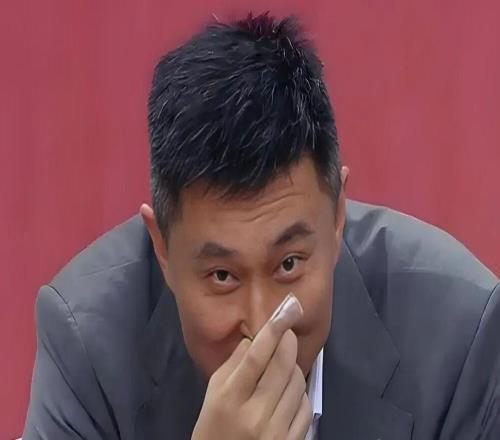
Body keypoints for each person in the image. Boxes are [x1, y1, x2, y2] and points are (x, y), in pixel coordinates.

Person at [23, 12, 499, 440]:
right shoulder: (88, 342)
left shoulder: (460, 335)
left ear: (337, 218)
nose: (261, 324)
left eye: (289, 264)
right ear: (162, 247)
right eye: (222, 276)